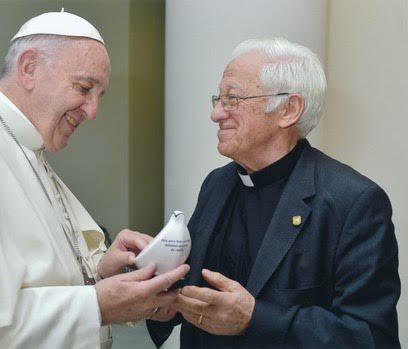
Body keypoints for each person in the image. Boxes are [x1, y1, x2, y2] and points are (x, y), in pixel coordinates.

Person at [0, 10, 189, 349]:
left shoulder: (25, 148)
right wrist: (94, 305)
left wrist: (102, 275)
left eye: (99, 95)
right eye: (84, 88)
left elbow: (36, 283)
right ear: (29, 68)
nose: (92, 111)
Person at [147, 38, 400, 348]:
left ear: (288, 110)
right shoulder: (217, 183)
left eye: (233, 99)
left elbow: (371, 338)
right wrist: (161, 302)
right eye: (218, 98)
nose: (216, 114)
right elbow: (197, 291)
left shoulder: (353, 202)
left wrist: (255, 319)